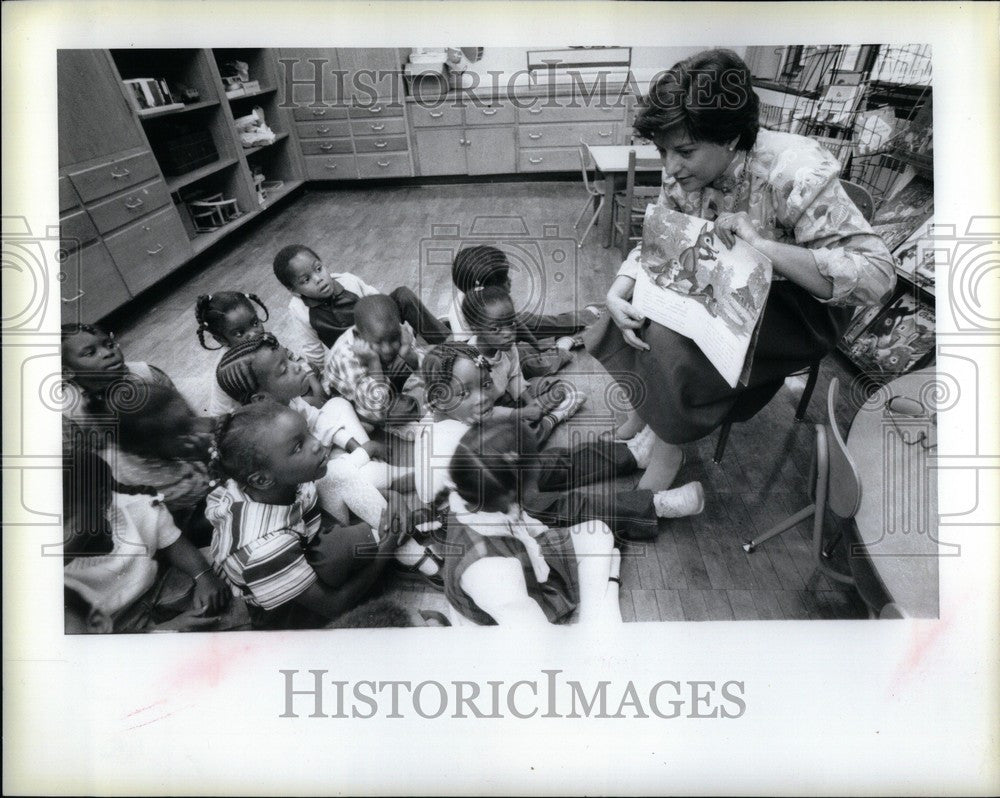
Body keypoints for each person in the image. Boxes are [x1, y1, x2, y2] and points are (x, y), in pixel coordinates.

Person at [586, 48, 896, 493]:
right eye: (662, 151)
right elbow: (658, 241)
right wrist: (620, 289)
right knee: (636, 306)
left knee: (670, 341)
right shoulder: (685, 171)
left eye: (684, 151)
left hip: (799, 305)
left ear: (730, 138)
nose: (670, 168)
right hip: (724, 282)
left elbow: (876, 276)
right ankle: (647, 410)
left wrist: (764, 246)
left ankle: (667, 441)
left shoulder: (795, 167)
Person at [205, 401, 403, 630]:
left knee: (338, 480)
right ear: (261, 480)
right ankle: (400, 546)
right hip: (293, 612)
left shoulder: (270, 483)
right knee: (348, 546)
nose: (318, 444)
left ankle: (389, 532)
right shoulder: (263, 549)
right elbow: (333, 604)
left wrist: (387, 497)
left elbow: (318, 491)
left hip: (299, 532)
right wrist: (388, 547)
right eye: (298, 446)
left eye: (308, 432)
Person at [443, 419, 623, 627]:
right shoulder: (491, 572)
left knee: (599, 533)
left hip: (515, 567)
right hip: (500, 616)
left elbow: (523, 521)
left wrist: (542, 538)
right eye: (534, 463)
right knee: (600, 557)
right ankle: (597, 622)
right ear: (513, 492)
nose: (539, 465)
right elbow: (538, 641)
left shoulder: (476, 496)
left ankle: (595, 613)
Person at [63, 447, 230, 634]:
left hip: (159, 587)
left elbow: (170, 540)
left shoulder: (133, 506)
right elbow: (87, 643)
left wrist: (203, 575)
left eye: (64, 518)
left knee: (229, 572)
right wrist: (167, 628)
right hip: (118, 630)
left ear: (103, 499)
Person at [273, 244, 449, 372]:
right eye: (306, 280)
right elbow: (313, 353)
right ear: (294, 291)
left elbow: (380, 303)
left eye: (318, 269)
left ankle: (450, 344)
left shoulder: (347, 281)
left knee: (402, 295)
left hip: (379, 329)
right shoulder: (299, 311)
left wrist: (399, 331)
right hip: (357, 353)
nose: (318, 279)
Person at [461, 286, 587, 444]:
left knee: (558, 388)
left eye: (511, 323)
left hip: (507, 399)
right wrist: (520, 413)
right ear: (475, 329)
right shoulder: (469, 364)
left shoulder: (508, 347)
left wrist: (530, 402)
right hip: (486, 416)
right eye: (495, 329)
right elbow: (483, 412)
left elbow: (514, 376)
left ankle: (535, 419)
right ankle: (553, 418)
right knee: (512, 444)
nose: (508, 333)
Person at [194, 291, 325, 415]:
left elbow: (294, 359)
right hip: (251, 415)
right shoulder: (232, 368)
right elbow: (245, 412)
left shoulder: (262, 342)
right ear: (221, 340)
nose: (253, 333)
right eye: (239, 333)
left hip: (273, 392)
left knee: (312, 371)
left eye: (255, 323)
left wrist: (316, 387)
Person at [321, 294, 428, 426]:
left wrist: (407, 351)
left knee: (432, 364)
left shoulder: (394, 330)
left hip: (381, 379)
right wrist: (373, 362)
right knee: (405, 409)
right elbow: (375, 409)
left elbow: (426, 365)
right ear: (358, 336)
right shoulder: (348, 357)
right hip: (357, 398)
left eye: (393, 339)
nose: (387, 349)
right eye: (378, 343)